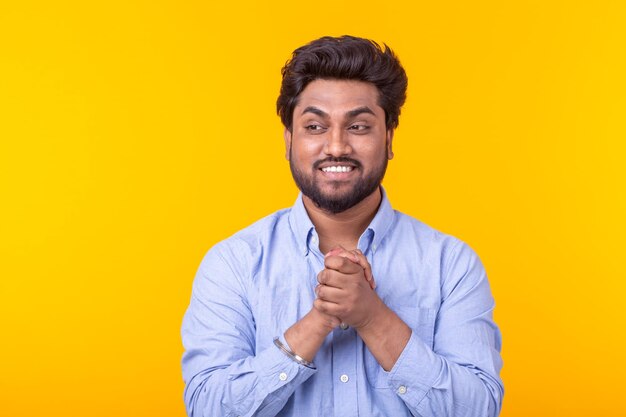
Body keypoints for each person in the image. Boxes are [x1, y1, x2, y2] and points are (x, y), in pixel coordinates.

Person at [181, 35, 503, 417]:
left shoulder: (451, 265)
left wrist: (371, 317)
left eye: (359, 126)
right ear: (288, 140)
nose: (336, 146)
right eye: (315, 126)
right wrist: (318, 322)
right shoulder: (232, 263)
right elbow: (206, 409)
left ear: (388, 137)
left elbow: (478, 410)